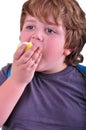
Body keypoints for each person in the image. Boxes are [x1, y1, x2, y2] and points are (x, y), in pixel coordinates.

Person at [0, 0, 86, 129]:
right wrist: (17, 81)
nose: (36, 36)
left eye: (50, 30)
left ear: (70, 45)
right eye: (30, 27)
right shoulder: (8, 75)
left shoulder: (82, 80)